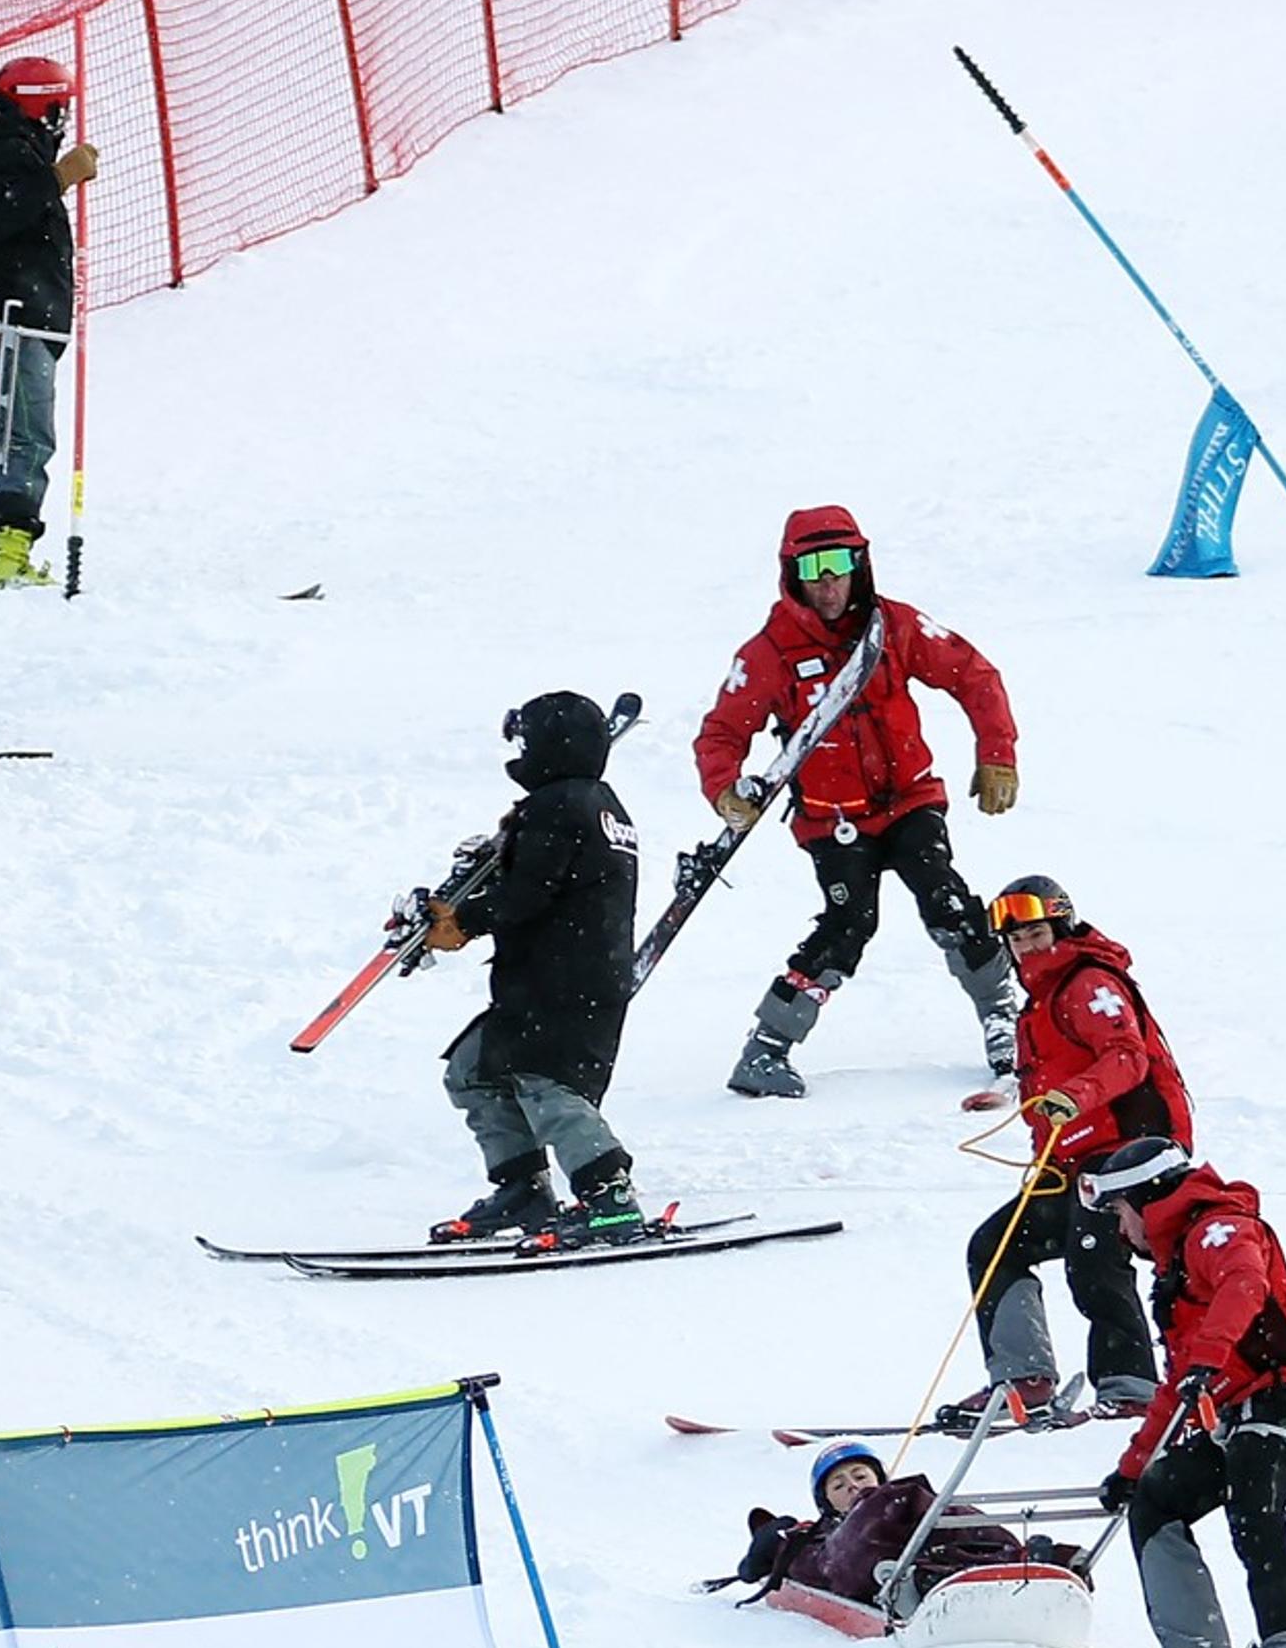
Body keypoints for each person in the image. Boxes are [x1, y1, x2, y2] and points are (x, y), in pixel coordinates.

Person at [693, 505, 1022, 1099]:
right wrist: (724, 790)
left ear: (860, 564)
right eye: (813, 565)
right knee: (848, 925)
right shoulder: (769, 653)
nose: (828, 579)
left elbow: (974, 675)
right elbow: (721, 734)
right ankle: (766, 1048)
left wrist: (996, 753)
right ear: (791, 572)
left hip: (911, 800)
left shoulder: (893, 626)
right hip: (831, 819)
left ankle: (1005, 1021)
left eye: (841, 562)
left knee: (947, 900)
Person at [1081, 1137, 1286, 1648]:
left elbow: (1245, 1285)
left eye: (1122, 1214)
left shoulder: (1219, 1229)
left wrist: (1208, 1360)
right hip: (1231, 1407)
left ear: (1147, 1199)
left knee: (1254, 1507)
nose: (1122, 1233)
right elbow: (1177, 1384)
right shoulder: (1175, 1269)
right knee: (1156, 1498)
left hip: (1280, 1392)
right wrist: (1132, 1467)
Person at [940, 875, 1186, 1427]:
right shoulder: (1040, 1000)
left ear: (1060, 924)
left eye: (1034, 933)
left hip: (1130, 1152)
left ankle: (1132, 1388)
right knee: (996, 1245)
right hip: (1073, 1161)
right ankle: (1023, 1381)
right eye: (1017, 939)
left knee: (1092, 1252)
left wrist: (1072, 1100)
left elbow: (1126, 1057)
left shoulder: (1088, 983)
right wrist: (1010, 1097)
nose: (1026, 947)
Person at [424, 692, 641, 1245]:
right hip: (551, 980)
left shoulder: (559, 806)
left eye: (524, 741)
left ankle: (610, 1199)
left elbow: (528, 894)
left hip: (565, 983)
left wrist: (462, 921)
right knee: (475, 1072)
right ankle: (523, 1189)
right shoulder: (593, 802)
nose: (518, 753)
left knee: (550, 1085)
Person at [0, 55, 97, 593]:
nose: (64, 120)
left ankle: (1, 551)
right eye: (61, 108)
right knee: (25, 444)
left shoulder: (9, 148)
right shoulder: (7, 151)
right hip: (7, 321)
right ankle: (2, 558)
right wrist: (56, 179)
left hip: (15, 321)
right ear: (44, 104)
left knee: (18, 443)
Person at [720, 1439, 1086, 1615]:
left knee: (943, 1511)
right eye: (838, 1485)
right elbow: (776, 1566)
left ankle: (1026, 1561)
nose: (852, 1485)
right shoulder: (823, 1534)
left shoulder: (896, 1502)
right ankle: (919, 1583)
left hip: (923, 1548)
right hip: (861, 1567)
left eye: (860, 1475)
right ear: (826, 1502)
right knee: (906, 1503)